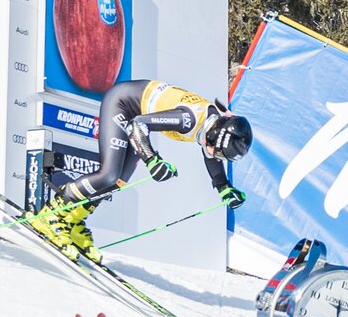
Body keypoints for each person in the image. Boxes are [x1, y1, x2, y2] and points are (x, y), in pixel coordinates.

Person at [30, 79, 252, 263]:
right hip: (122, 105)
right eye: (217, 150)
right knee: (108, 174)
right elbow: (138, 125)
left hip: (135, 113)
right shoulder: (189, 120)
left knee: (118, 182)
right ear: (215, 134)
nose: (214, 154)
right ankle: (51, 215)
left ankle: (73, 220)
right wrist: (152, 160)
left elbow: (210, 156)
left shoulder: (213, 124)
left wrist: (224, 187)